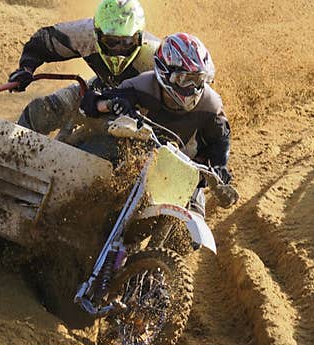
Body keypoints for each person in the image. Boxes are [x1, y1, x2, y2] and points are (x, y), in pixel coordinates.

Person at [80, 33, 235, 214]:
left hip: (181, 168)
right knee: (89, 168)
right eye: (184, 79)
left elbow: (220, 141)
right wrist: (110, 104)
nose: (192, 87)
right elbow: (89, 105)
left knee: (195, 217)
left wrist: (219, 168)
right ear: (163, 71)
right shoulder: (140, 86)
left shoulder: (211, 105)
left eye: (198, 79)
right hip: (132, 157)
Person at [7, 0, 160, 134]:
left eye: (127, 42)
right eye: (111, 42)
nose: (118, 51)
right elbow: (43, 43)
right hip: (97, 90)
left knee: (109, 147)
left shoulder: (156, 58)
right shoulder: (84, 34)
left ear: (140, 38)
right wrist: (26, 69)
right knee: (41, 111)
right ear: (97, 35)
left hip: (138, 114)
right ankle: (9, 148)